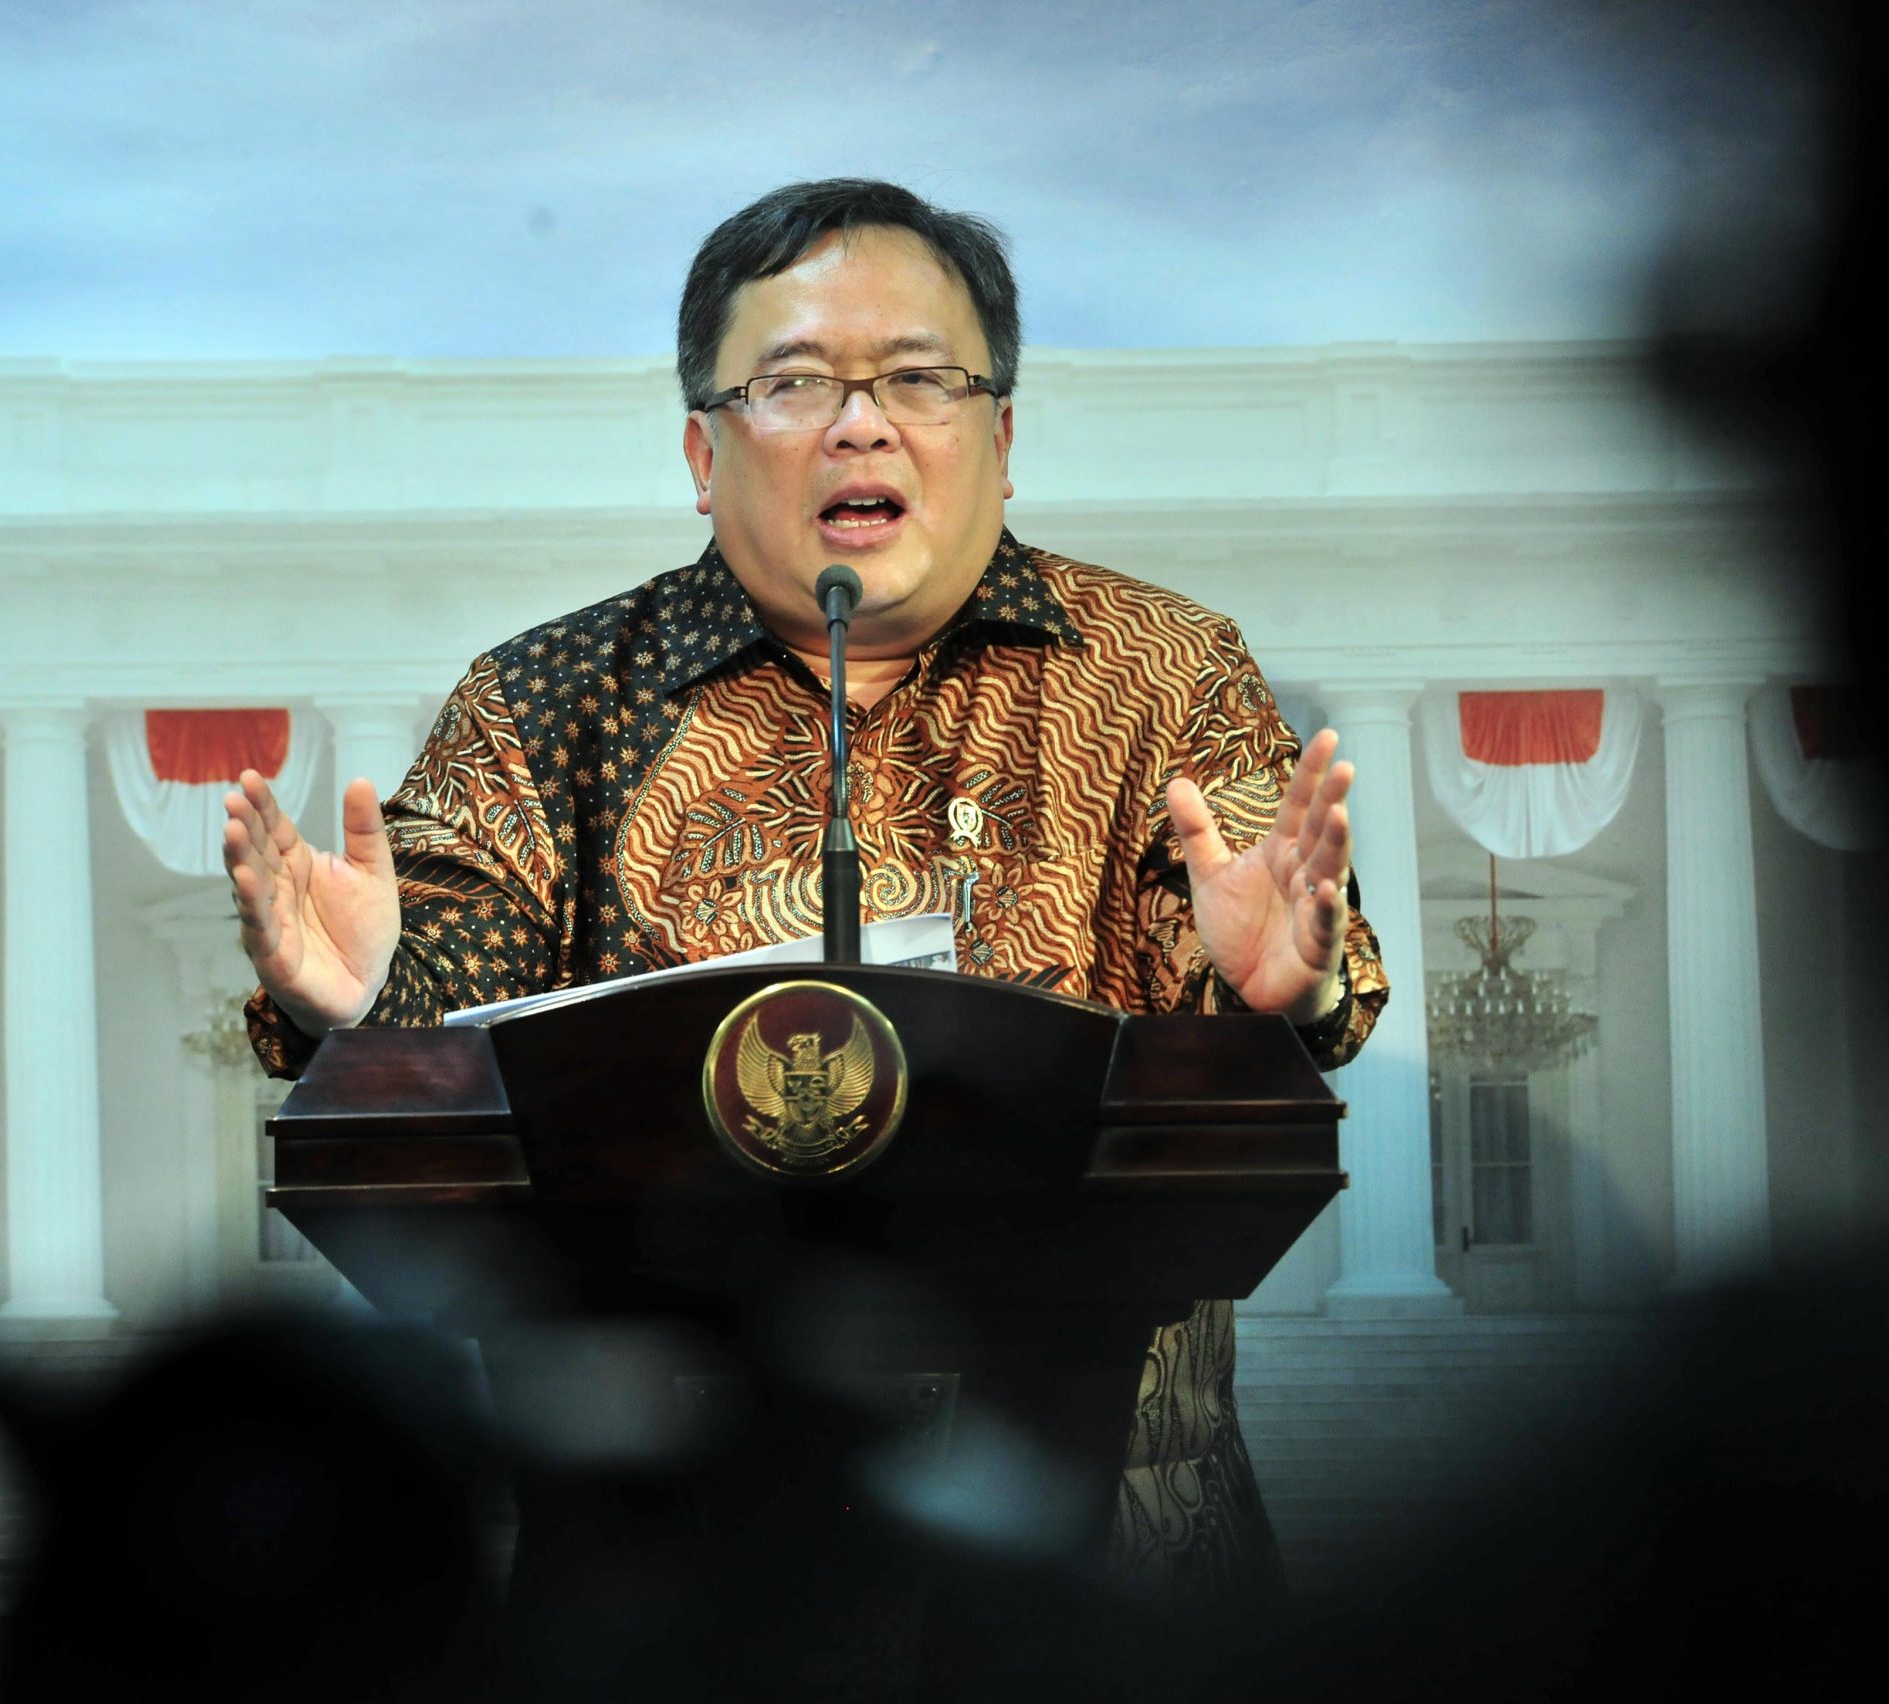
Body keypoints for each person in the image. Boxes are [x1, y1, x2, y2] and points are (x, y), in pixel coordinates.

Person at [222, 178, 1390, 1596]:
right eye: (792, 384)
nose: (859, 422)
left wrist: (1285, 987)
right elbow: (448, 997)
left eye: (918, 377)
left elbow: (1240, 1008)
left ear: (1002, 436)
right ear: (704, 453)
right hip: (668, 1566)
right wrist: (369, 1006)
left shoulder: (1164, 672)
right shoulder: (546, 703)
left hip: (1112, 1559)